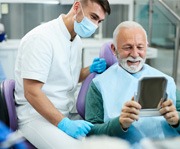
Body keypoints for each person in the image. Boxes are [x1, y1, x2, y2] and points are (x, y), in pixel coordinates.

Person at [14, 0, 111, 148]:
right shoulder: (41, 38)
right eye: (93, 17)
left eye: (99, 21)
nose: (95, 26)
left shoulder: (76, 41)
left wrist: (90, 69)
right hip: (35, 117)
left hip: (63, 113)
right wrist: (64, 124)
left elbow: (68, 77)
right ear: (77, 7)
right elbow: (31, 92)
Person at [85, 21, 180, 146]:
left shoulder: (167, 81)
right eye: (128, 47)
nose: (135, 54)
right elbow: (91, 132)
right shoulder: (99, 84)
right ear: (114, 49)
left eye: (140, 47)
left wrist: (176, 121)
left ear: (147, 47)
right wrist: (119, 124)